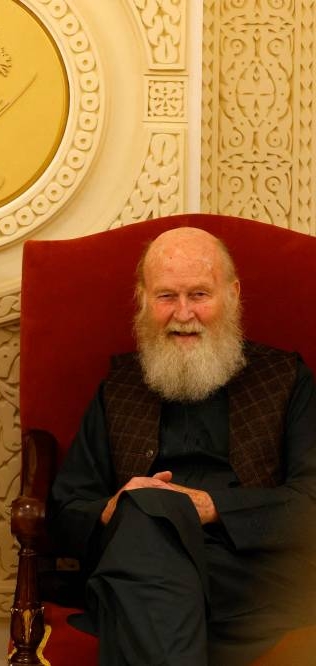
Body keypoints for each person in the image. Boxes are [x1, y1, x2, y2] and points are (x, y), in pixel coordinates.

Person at [47, 226, 316, 665]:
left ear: (232, 295)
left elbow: (310, 502)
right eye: (167, 296)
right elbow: (64, 511)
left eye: (199, 295)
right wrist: (118, 506)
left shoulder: (285, 379)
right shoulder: (120, 387)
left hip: (246, 574)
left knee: (138, 563)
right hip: (142, 560)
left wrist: (208, 507)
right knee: (145, 511)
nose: (183, 313)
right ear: (143, 299)